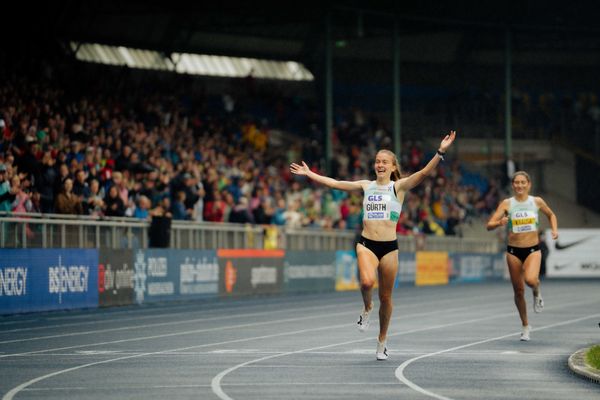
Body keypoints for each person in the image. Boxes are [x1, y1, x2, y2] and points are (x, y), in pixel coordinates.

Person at [290, 131, 456, 360]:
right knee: (367, 281)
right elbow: (336, 183)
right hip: (367, 243)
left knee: (386, 299)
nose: (380, 165)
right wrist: (310, 174)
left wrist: (440, 151)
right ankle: (367, 308)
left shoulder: (399, 188)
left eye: (384, 162)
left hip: (389, 247)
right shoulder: (365, 185)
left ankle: (382, 341)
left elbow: (425, 172)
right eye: (377, 161)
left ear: (392, 166)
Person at [486, 171, 558, 341]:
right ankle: (525, 326)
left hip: (533, 249)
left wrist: (554, 229)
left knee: (531, 280)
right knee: (518, 291)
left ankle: (536, 291)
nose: (519, 185)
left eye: (522, 182)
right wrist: (499, 223)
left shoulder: (536, 201)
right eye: (516, 183)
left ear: (529, 184)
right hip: (513, 251)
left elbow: (551, 215)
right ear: (513, 185)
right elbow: (489, 225)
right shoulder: (507, 204)